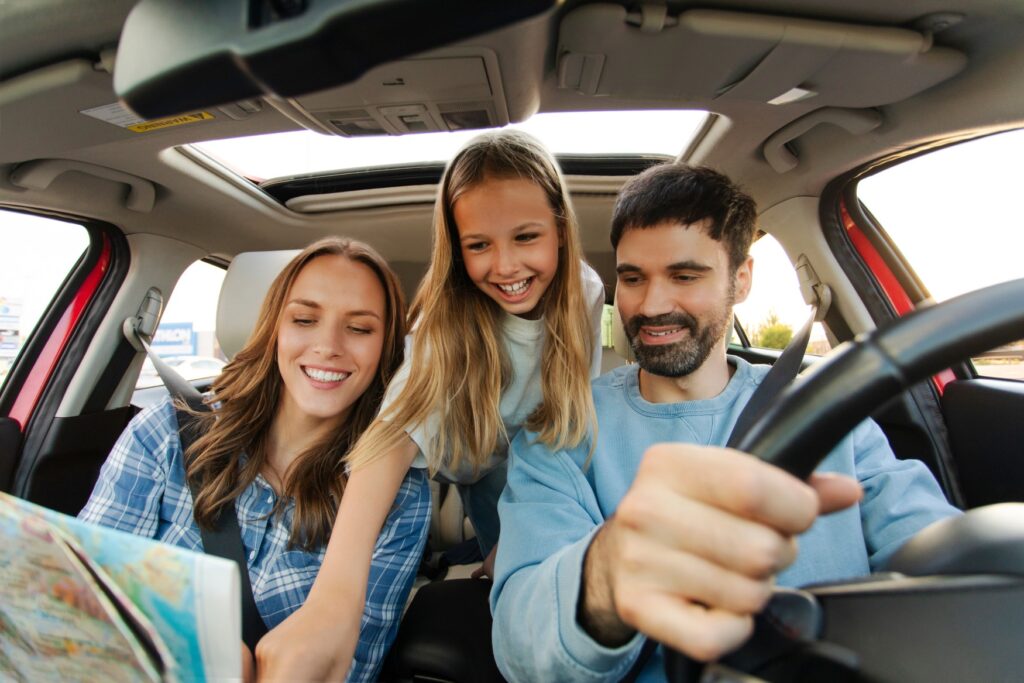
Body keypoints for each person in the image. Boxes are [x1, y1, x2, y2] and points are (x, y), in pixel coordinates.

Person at [490, 163, 961, 682]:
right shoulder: (559, 432)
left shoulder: (826, 412)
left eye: (685, 276)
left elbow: (939, 554)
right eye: (632, 278)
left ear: (741, 280)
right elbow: (521, 643)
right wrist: (606, 571)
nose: (652, 305)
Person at [254, 129, 606, 680]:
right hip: (476, 473)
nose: (506, 266)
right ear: (456, 247)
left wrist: (531, 533)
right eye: (479, 245)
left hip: (540, 471)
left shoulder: (585, 291)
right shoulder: (440, 328)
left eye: (526, 236)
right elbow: (388, 442)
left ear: (561, 229)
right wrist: (334, 600)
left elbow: (572, 414)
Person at [79, 237, 430, 682]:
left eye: (360, 329)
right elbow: (83, 607)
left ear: (386, 349)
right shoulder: (164, 435)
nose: (328, 346)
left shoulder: (399, 498)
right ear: (275, 328)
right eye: (304, 319)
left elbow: (351, 668)